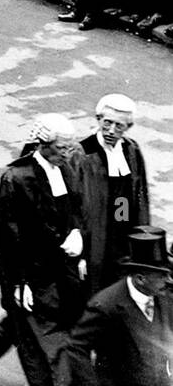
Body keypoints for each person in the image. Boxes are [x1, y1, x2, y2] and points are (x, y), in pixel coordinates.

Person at [0, 115, 88, 386]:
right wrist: (16, 284)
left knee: (22, 320)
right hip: (32, 271)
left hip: (60, 266)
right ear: (43, 144)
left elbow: (75, 207)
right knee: (32, 324)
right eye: (63, 148)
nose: (69, 154)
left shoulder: (65, 167)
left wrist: (77, 233)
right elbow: (8, 240)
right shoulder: (16, 179)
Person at [61, 226, 173, 386]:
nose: (168, 280)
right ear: (140, 279)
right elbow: (76, 347)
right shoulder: (106, 305)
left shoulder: (164, 297)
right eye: (162, 275)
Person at [69, 94, 150, 292]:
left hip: (121, 229)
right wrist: (80, 252)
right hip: (94, 237)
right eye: (107, 123)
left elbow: (140, 196)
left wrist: (142, 239)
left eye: (119, 126)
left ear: (128, 127)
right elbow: (72, 205)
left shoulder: (131, 150)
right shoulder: (82, 153)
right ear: (98, 120)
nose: (112, 131)